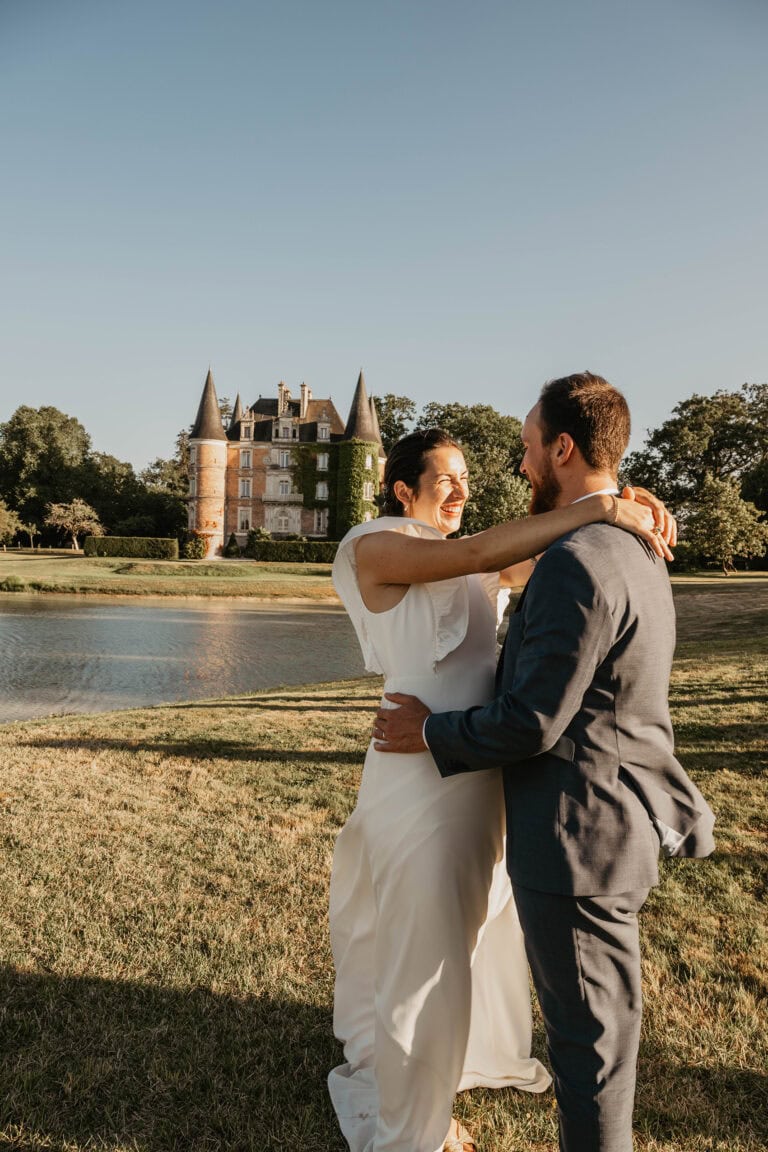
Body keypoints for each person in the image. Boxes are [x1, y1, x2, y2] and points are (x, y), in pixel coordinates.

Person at [373, 373, 716, 1152]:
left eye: (529, 449)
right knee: (602, 1032)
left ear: (562, 447)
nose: (521, 467)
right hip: (613, 825)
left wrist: (431, 731)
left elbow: (532, 720)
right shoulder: (635, 543)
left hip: (576, 838)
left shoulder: (577, 559)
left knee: (587, 1047)